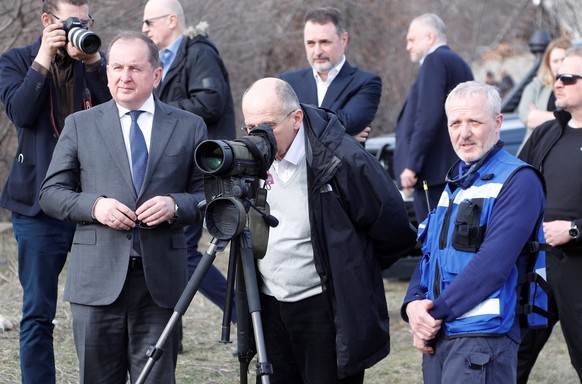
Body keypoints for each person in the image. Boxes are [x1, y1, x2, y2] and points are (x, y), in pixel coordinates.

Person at [38, 31, 206, 383]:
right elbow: (51, 193)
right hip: (96, 282)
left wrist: (176, 204)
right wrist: (95, 206)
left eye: (134, 68)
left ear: (156, 75)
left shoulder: (189, 126)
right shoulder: (80, 125)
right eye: (116, 67)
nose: (123, 77)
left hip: (160, 284)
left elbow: (208, 195)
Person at [241, 77, 416, 383]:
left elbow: (394, 227)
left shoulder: (342, 158)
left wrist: (354, 268)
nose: (258, 138)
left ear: (296, 118)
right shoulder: (252, 156)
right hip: (269, 305)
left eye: (267, 127)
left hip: (324, 309)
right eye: (250, 128)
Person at [401, 81, 546, 384]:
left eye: (474, 122)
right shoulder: (455, 183)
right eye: (455, 122)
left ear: (498, 123)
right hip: (442, 335)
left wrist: (433, 315)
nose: (463, 133)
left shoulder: (519, 181)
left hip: (484, 340)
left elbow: (492, 266)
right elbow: (430, 254)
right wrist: (413, 305)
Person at [0, 0, 111, 382]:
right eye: (72, 22)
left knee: (98, 309)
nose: (82, 27)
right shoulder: (16, 60)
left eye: (87, 20)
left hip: (91, 203)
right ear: (48, 21)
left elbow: (118, 110)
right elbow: (21, 112)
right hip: (36, 207)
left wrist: (95, 61)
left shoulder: (95, 62)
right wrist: (44, 58)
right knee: (37, 312)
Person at [142, 0, 236, 335]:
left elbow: (210, 103)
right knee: (174, 250)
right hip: (178, 167)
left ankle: (242, 317)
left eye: (149, 22)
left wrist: (159, 109)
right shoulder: (165, 60)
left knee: (186, 253)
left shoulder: (199, 53)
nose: (144, 29)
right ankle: (173, 334)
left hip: (204, 168)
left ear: (172, 20)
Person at [517, 46, 582, 383]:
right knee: (514, 357)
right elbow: (515, 185)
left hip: (578, 269)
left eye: (568, 78)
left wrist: (574, 230)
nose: (557, 83)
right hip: (539, 267)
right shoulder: (547, 132)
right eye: (557, 76)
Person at [394, 13, 474, 223]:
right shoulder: (459, 63)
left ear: (429, 37)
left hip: (434, 174)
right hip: (454, 169)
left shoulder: (434, 60)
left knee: (433, 240)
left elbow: (428, 116)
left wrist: (412, 165)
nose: (408, 46)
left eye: (412, 40)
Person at [279, 7, 381, 143]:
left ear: (343, 39)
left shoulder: (366, 83)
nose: (317, 51)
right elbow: (277, 128)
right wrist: (344, 138)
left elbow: (348, 123)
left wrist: (298, 128)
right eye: (310, 43)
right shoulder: (287, 82)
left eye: (324, 42)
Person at [517, 37, 571, 149]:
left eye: (563, 59)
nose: (560, 65)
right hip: (536, 150)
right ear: (548, 64)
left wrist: (540, 115)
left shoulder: (577, 87)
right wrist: (566, 118)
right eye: (555, 61)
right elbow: (528, 118)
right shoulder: (536, 86)